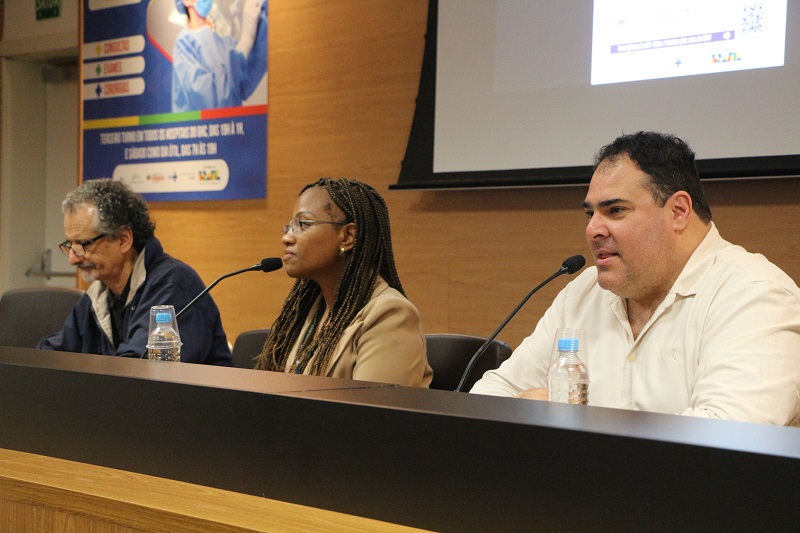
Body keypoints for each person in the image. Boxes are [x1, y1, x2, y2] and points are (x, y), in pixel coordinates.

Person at [471, 131, 800, 426]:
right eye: (590, 213)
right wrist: (525, 408)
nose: (592, 229)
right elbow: (491, 393)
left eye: (615, 210)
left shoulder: (755, 295)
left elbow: (727, 439)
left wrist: (579, 423)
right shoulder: (583, 292)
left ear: (678, 211)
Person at [254, 177, 432, 387]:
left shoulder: (390, 315)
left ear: (347, 236)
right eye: (289, 227)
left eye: (303, 224)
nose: (287, 238)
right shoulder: (309, 310)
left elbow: (372, 407)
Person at [38, 179, 232, 365]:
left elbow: (139, 368)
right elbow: (54, 353)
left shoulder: (173, 286)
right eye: (70, 245)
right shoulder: (98, 295)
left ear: (123, 240)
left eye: (83, 244)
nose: (73, 259)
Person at [172, 0, 267, 112]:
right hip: (207, 123)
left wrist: (262, 17)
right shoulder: (184, 45)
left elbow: (244, 84)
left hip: (233, 122)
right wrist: (246, 40)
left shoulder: (224, 44)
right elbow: (208, 101)